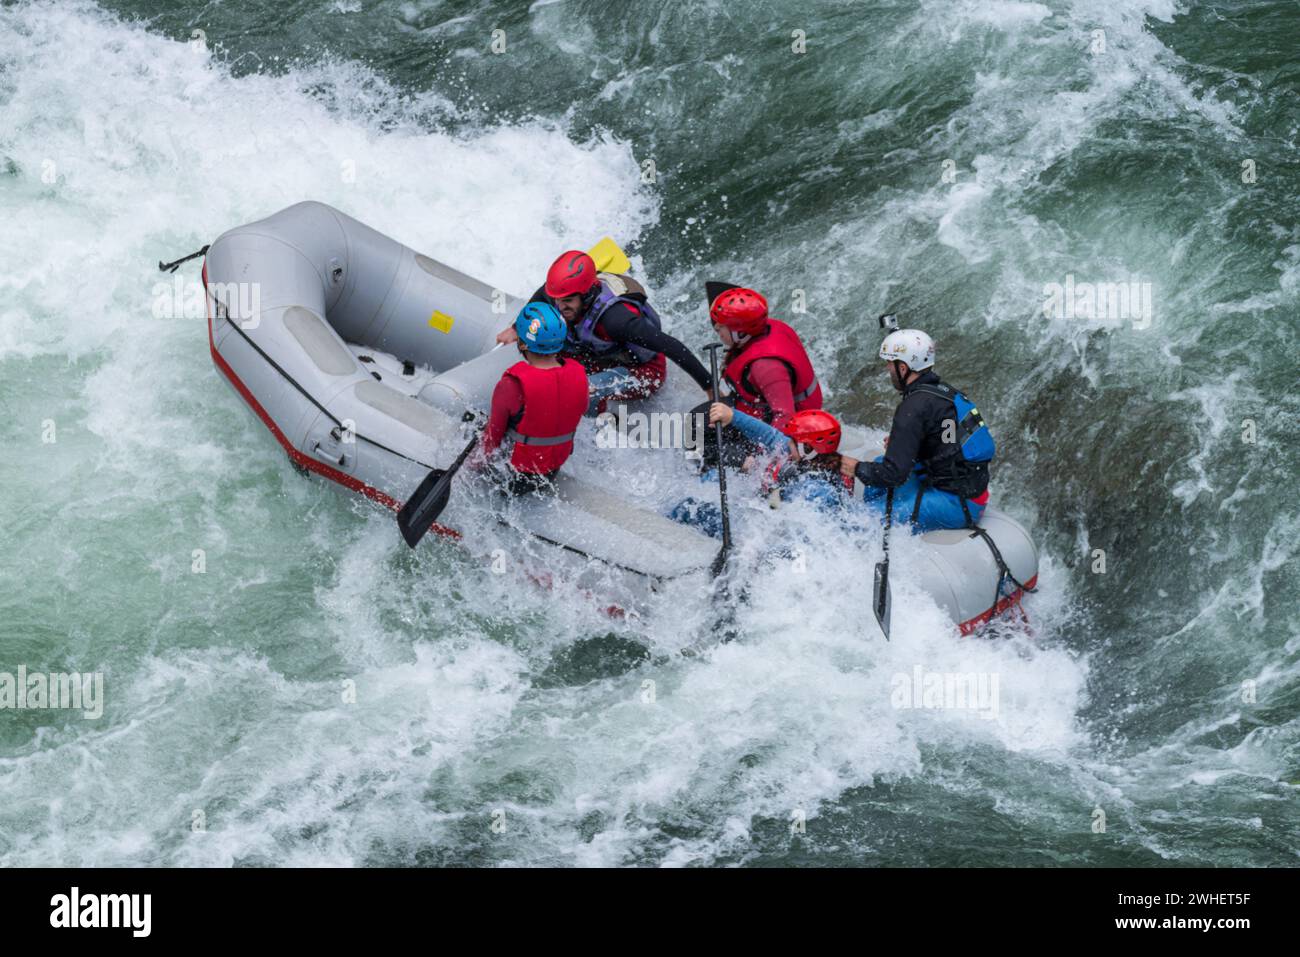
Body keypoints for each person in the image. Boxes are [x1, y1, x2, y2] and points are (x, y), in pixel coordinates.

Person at [496, 250, 712, 414]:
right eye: (558, 300)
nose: (561, 307)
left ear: (588, 294)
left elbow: (671, 346)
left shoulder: (616, 321)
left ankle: (594, 429)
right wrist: (516, 328)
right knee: (543, 344)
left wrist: (709, 387)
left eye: (569, 301)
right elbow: (543, 294)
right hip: (597, 355)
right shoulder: (562, 293)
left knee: (580, 390)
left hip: (642, 371)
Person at [838, 329, 992, 532]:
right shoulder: (943, 393)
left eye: (890, 364)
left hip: (957, 504)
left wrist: (856, 468)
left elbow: (894, 475)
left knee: (861, 522)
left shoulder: (914, 407)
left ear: (903, 368)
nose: (888, 369)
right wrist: (911, 442)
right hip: (964, 489)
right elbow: (948, 442)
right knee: (876, 468)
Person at [668, 405, 853, 538]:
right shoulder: (798, 455)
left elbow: (796, 530)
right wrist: (732, 416)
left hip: (773, 536)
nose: (786, 443)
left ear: (809, 449)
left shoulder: (818, 490)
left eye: (792, 441)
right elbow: (768, 435)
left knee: (692, 508)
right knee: (712, 479)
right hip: (767, 513)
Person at [696, 285, 822, 468]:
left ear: (739, 332)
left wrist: (766, 459)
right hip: (758, 404)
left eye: (720, 327)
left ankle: (743, 464)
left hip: (782, 423)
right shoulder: (760, 329)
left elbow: (785, 417)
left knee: (699, 431)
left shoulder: (766, 367)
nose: (716, 327)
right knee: (696, 420)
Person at [477, 303, 589, 493]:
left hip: (513, 474)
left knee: (473, 424)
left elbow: (492, 440)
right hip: (551, 470)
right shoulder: (579, 374)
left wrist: (472, 467)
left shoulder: (511, 386)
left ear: (521, 343)